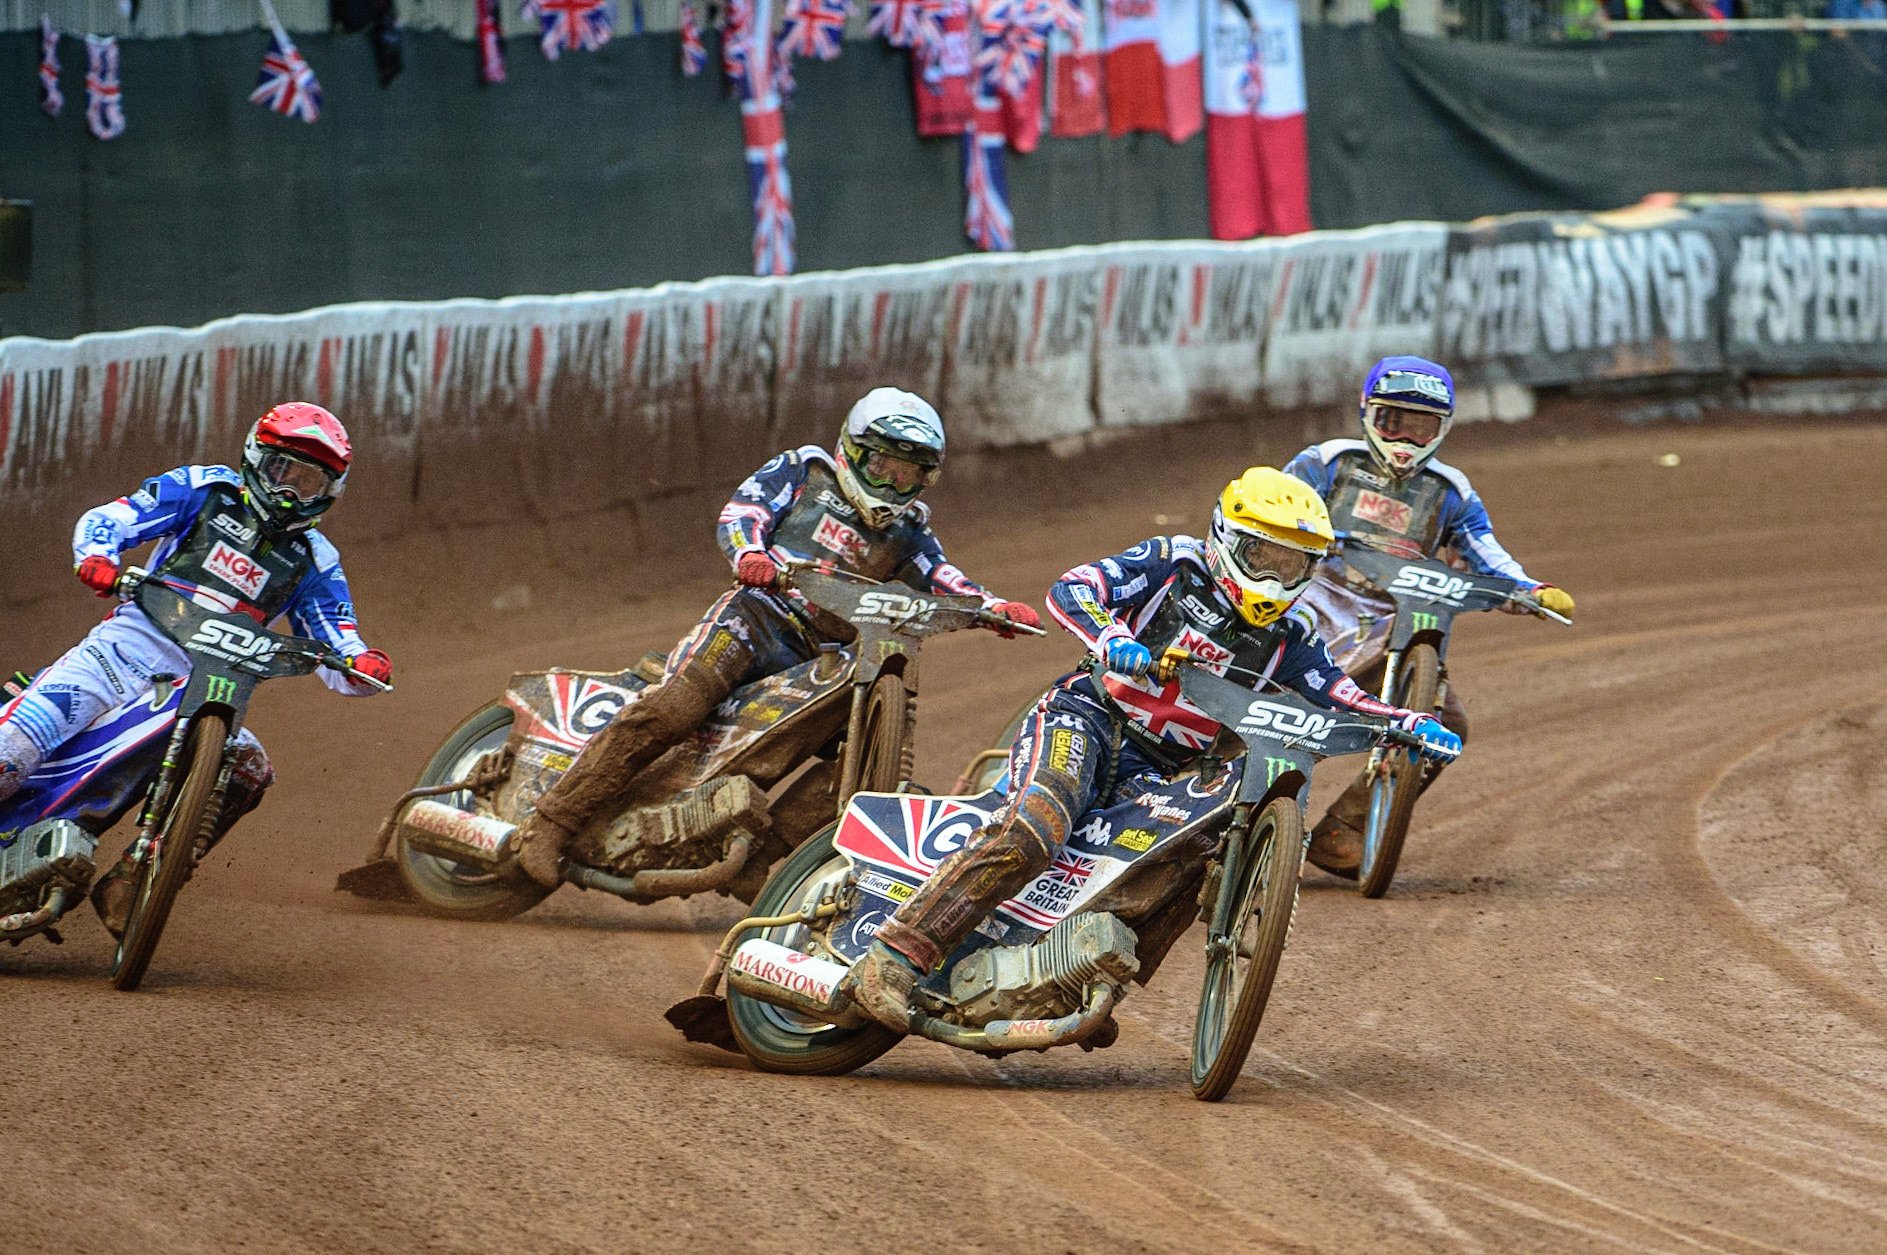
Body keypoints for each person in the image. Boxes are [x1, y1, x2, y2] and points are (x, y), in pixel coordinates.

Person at [842, 467, 1462, 1031]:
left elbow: (1342, 693)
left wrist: (1408, 720)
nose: (1275, 577)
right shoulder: (1173, 564)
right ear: (1226, 537)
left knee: (1194, 859)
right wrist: (1111, 636)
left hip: (1164, 768)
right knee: (1037, 825)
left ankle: (1087, 980)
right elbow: (1074, 587)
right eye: (1263, 556)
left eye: (1293, 565)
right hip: (1087, 718)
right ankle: (898, 955)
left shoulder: (1292, 636)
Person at [509, 387, 1042, 888]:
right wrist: (750, 555)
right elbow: (744, 512)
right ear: (852, 451)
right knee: (673, 708)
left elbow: (943, 577)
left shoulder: (910, 531)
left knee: (855, 756)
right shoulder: (805, 470)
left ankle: (760, 861)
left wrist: (991, 608)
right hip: (755, 616)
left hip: (823, 656)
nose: (892, 485)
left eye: (908, 476)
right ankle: (555, 820)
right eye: (882, 466)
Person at [0, 403, 393, 934]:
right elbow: (110, 518)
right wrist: (98, 557)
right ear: (257, 458)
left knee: (249, 767)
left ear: (330, 490)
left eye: (309, 481)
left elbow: (337, 640)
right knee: (12, 754)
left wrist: (361, 662)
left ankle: (139, 875)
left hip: (208, 684)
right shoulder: (205, 490)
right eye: (283, 471)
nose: (289, 491)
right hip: (119, 654)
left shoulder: (314, 558)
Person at [1282, 355, 1574, 879]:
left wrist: (1529, 589)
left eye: (1422, 428)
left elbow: (1485, 553)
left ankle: (1343, 832)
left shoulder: (1450, 492)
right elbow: (1272, 515)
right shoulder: (1326, 463)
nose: (1405, 440)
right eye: (1395, 422)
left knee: (1446, 725)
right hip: (1309, 605)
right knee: (1265, 712)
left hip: (1391, 625)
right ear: (1368, 413)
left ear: (1443, 430)